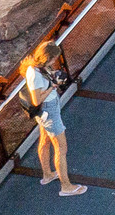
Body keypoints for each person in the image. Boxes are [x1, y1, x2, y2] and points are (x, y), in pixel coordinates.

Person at [20, 40, 85, 196]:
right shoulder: (35, 74)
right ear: (46, 58)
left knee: (45, 140)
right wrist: (53, 86)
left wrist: (52, 78)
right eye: (53, 59)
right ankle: (66, 186)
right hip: (49, 112)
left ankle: (48, 175)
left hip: (45, 113)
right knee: (61, 149)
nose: (55, 61)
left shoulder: (36, 68)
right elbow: (36, 100)